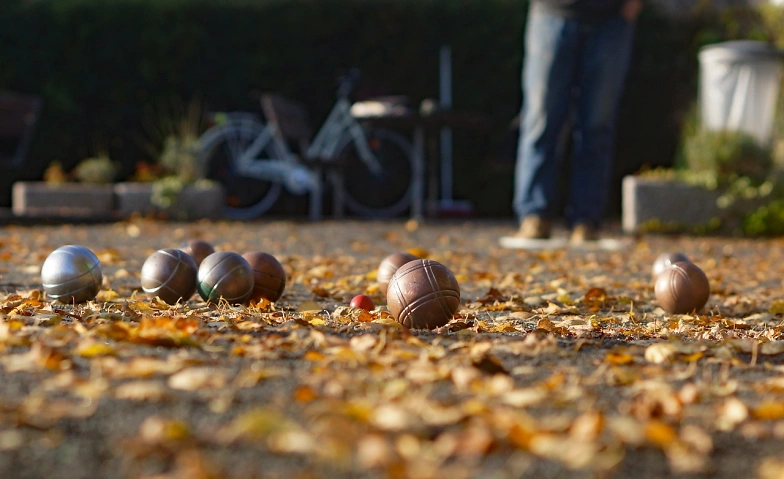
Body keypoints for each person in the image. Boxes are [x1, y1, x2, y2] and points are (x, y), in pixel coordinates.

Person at [512, 0, 643, 243]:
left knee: (597, 124)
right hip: (550, 13)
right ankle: (534, 214)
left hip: (611, 19)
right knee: (541, 119)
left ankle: (586, 219)